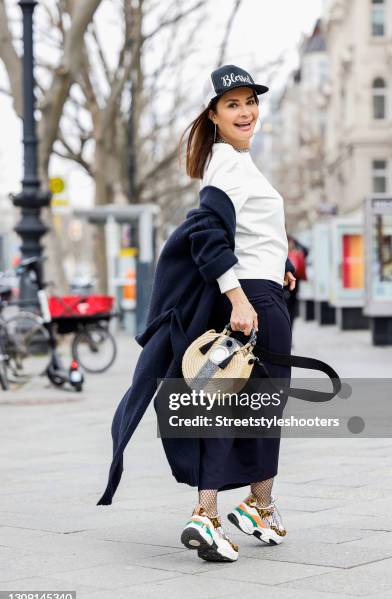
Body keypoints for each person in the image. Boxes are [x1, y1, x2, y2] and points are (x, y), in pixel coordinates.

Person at [97, 64, 296, 564]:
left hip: (260, 291)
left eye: (250, 101)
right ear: (214, 114)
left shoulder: (236, 163)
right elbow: (207, 235)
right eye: (233, 104)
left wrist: (279, 268)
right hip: (252, 305)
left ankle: (252, 506)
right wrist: (241, 299)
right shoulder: (227, 163)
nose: (245, 111)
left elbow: (243, 233)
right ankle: (215, 514)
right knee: (253, 410)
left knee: (236, 407)